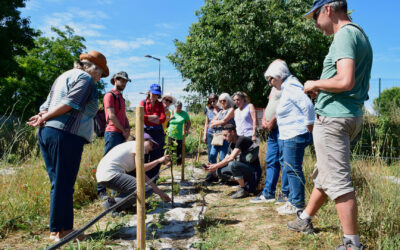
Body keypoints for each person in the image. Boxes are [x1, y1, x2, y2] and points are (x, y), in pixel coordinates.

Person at [287, 1, 373, 249]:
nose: (315, 25)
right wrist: (326, 91)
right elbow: (359, 85)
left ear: (327, 10)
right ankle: (305, 218)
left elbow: (345, 80)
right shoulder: (360, 34)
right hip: (350, 114)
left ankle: (351, 244)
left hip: (333, 119)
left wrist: (315, 84)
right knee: (326, 175)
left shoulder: (344, 35)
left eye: (315, 17)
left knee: (338, 181)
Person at [27, 50, 109, 241]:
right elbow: (70, 103)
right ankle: (64, 232)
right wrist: (45, 117)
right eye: (100, 74)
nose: (99, 79)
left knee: (58, 182)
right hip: (65, 135)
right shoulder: (86, 79)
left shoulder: (62, 76)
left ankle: (56, 230)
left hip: (48, 133)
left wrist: (42, 116)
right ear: (94, 69)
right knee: (64, 183)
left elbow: (46, 104)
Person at [264, 59, 314, 215]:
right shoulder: (287, 87)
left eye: (270, 79)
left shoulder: (292, 87)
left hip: (294, 134)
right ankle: (292, 200)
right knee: (290, 168)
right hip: (289, 134)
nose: (270, 83)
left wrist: (309, 126)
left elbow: (307, 106)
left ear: (279, 75)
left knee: (293, 170)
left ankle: (297, 203)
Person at [96, 133, 171, 213]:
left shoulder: (130, 148)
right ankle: (111, 203)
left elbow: (143, 176)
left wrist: (160, 194)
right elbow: (142, 168)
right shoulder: (137, 146)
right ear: (144, 140)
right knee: (145, 189)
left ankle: (123, 206)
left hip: (105, 176)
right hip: (110, 174)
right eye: (151, 145)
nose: (151, 149)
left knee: (144, 188)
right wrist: (159, 161)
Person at [250, 87, 289, 204]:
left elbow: (285, 105)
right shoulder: (273, 87)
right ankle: (268, 193)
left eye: (271, 76)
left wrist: (273, 119)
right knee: (271, 160)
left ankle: (286, 194)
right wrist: (263, 119)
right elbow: (270, 104)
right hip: (272, 131)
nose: (269, 79)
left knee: (285, 161)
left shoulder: (287, 85)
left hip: (282, 128)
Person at [97, 71, 132, 200]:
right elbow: (111, 115)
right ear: (115, 80)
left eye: (125, 81)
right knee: (107, 160)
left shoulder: (121, 98)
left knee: (118, 162)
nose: (124, 83)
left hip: (121, 133)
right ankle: (101, 190)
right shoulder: (109, 95)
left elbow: (124, 116)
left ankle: (115, 190)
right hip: (112, 132)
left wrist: (127, 129)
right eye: (122, 80)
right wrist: (123, 130)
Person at [206, 124, 261, 199]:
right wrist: (213, 166)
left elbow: (231, 158)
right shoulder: (231, 145)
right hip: (244, 169)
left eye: (225, 135)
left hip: (253, 171)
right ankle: (242, 182)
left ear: (232, 132)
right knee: (219, 171)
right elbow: (225, 160)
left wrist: (215, 166)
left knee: (232, 165)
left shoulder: (241, 140)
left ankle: (243, 189)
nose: (224, 138)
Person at [140, 84, 166, 180]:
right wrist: (154, 117)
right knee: (144, 154)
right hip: (146, 131)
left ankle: (153, 179)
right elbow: (140, 116)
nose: (155, 95)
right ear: (149, 92)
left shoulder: (160, 104)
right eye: (153, 93)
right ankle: (144, 179)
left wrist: (150, 119)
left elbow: (163, 118)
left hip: (158, 132)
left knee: (158, 154)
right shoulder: (143, 102)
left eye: (157, 94)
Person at [203, 94, 220, 163]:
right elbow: (206, 123)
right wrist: (205, 134)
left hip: (220, 133)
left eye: (214, 101)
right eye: (210, 101)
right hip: (210, 133)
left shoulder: (222, 109)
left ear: (217, 100)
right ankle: (211, 169)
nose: (212, 103)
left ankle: (222, 168)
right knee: (211, 152)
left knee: (222, 152)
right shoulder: (208, 109)